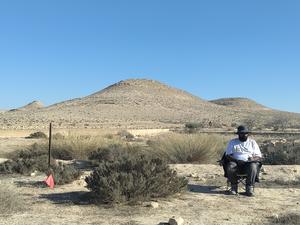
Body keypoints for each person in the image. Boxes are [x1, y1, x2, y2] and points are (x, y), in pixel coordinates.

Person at [224, 125, 262, 196]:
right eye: (242, 133)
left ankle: (249, 189)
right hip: (236, 163)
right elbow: (228, 155)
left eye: (245, 133)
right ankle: (234, 188)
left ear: (248, 134)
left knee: (253, 166)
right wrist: (237, 161)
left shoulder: (252, 142)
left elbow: (259, 156)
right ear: (238, 134)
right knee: (230, 166)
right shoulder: (232, 142)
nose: (244, 135)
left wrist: (252, 159)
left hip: (248, 164)